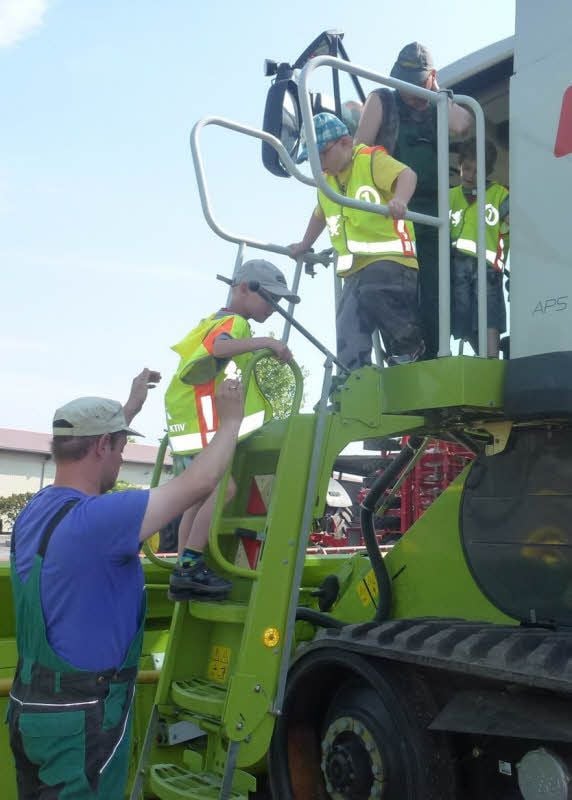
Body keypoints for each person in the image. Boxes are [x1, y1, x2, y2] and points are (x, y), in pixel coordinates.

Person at [7, 368, 245, 799]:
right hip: (82, 721)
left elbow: (97, 454)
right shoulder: (102, 519)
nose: (122, 459)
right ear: (102, 446)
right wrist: (230, 422)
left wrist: (129, 406)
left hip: (31, 708)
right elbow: (199, 483)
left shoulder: (35, 511)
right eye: (120, 447)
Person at [164, 259, 299, 601]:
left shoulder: (216, 320)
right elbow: (218, 348)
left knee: (196, 498)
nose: (274, 307)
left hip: (191, 426)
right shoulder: (234, 322)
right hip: (204, 425)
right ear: (244, 288)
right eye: (269, 298)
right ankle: (191, 564)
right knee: (224, 489)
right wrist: (266, 343)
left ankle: (184, 571)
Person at [354, 42, 473, 359]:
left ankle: (434, 355)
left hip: (434, 215)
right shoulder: (382, 101)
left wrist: (439, 95)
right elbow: (359, 153)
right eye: (403, 81)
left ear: (431, 77)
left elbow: (462, 125)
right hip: (394, 212)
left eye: (417, 81)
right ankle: (405, 355)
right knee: (397, 290)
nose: (409, 91)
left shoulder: (438, 103)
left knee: (436, 290)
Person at [289, 112, 424, 371]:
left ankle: (409, 349)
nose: (319, 165)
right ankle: (352, 377)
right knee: (347, 321)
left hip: (391, 262)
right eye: (312, 160)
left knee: (378, 293)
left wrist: (400, 200)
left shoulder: (369, 159)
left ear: (345, 143)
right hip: (355, 270)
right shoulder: (326, 182)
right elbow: (320, 215)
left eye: (322, 155)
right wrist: (304, 245)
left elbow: (407, 175)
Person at [450, 137, 509, 357]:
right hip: (456, 268)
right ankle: (477, 356)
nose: (470, 175)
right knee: (463, 316)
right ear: (460, 164)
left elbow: (516, 224)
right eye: (467, 168)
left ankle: (491, 358)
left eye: (477, 171)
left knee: (489, 312)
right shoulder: (449, 197)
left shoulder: (499, 194)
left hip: (487, 268)